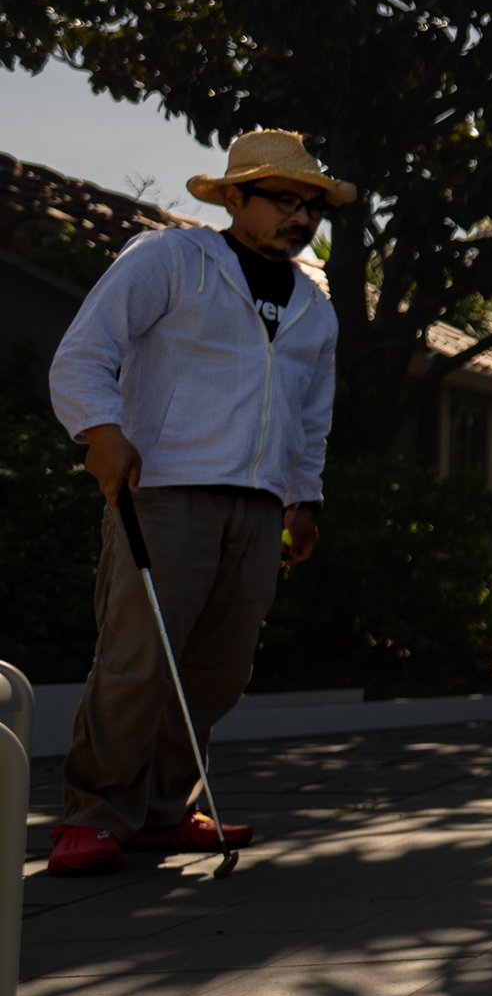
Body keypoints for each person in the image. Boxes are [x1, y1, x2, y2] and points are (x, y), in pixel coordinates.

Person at [45, 130, 347, 875]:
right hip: (164, 487)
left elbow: (312, 416)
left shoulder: (314, 302)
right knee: (137, 660)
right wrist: (101, 431)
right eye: (284, 201)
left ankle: (162, 811)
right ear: (233, 197)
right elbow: (84, 352)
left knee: (218, 669)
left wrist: (303, 499)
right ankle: (92, 816)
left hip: (257, 505)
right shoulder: (169, 260)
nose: (301, 218)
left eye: (312, 206)